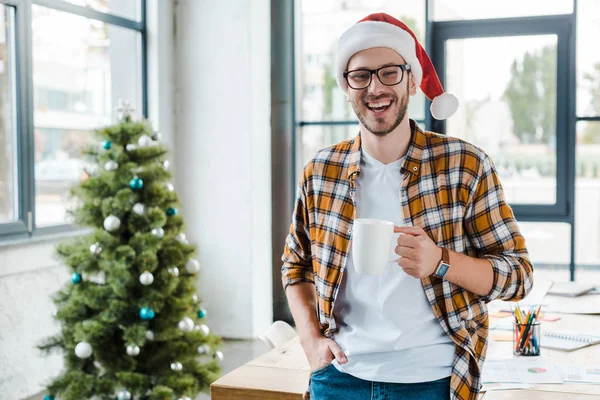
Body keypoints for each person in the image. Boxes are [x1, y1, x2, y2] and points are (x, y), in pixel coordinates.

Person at [281, 12, 534, 400]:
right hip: (339, 378)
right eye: (360, 75)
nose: (375, 87)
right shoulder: (321, 171)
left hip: (432, 381)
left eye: (389, 73)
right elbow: (294, 264)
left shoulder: (464, 166)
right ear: (347, 88)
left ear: (412, 80)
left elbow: (518, 276)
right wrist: (311, 340)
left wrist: (440, 261)